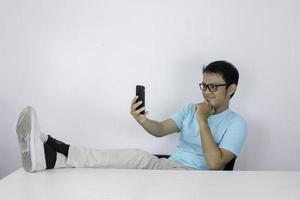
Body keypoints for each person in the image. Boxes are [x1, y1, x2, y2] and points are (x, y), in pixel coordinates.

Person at [15, 60, 247, 173]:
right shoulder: (190, 108)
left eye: (213, 87)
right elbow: (161, 129)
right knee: (121, 162)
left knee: (134, 157)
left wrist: (203, 121)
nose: (206, 93)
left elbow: (216, 164)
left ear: (232, 89)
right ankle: (52, 156)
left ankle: (54, 147)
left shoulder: (236, 123)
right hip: (168, 168)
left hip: (194, 179)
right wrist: (143, 120)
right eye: (204, 86)